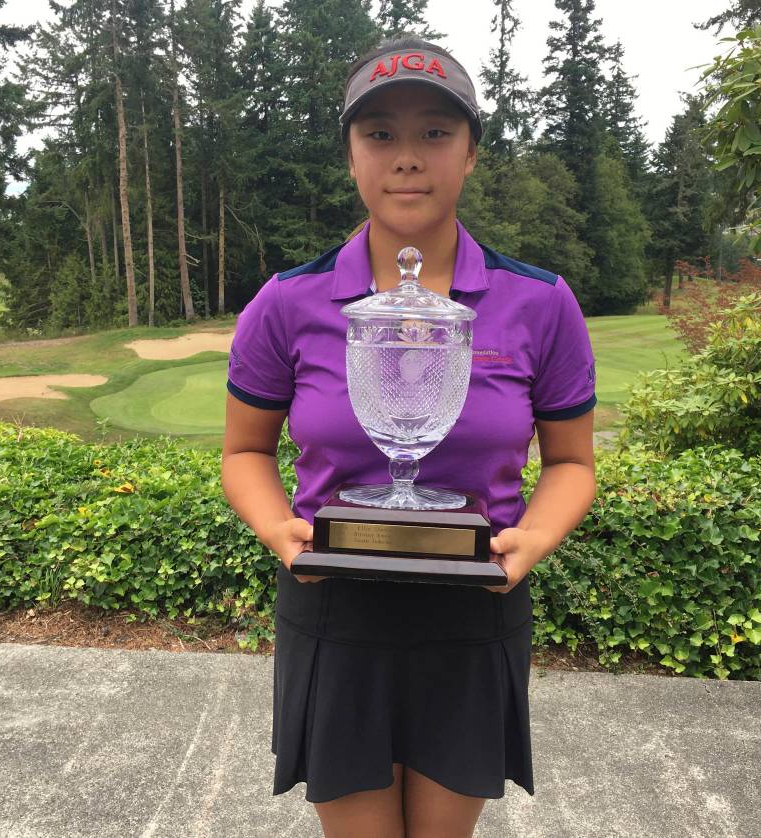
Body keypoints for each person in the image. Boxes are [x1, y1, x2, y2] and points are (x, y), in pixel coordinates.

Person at [221, 35, 597, 838]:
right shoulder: (288, 302)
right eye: (379, 134)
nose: (406, 158)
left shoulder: (540, 302)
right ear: (351, 157)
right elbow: (244, 450)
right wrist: (279, 531)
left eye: (435, 132)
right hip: (333, 608)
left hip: (473, 611)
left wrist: (531, 539)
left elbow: (571, 464)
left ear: (469, 155)